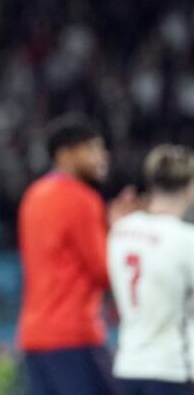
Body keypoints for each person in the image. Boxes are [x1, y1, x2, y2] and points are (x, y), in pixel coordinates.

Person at [17, 113, 131, 395]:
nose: (102, 157)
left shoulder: (33, 195)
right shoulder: (81, 199)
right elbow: (104, 272)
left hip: (34, 336)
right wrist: (120, 231)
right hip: (73, 335)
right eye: (92, 148)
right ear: (65, 154)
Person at [109, 144, 194, 395]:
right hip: (173, 369)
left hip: (127, 367)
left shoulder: (120, 230)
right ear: (190, 187)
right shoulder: (186, 239)